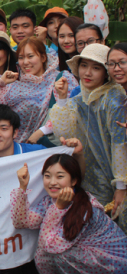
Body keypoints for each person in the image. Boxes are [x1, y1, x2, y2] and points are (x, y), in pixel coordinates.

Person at [51, 43, 127, 232]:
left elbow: (120, 145)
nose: (88, 73)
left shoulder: (115, 98)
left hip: (118, 178)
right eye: (84, 66)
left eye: (96, 68)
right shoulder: (78, 100)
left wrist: (120, 185)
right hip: (91, 178)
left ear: (106, 72)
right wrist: (61, 99)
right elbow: (63, 133)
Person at [12, 154, 127, 274]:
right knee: (44, 255)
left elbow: (48, 245)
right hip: (89, 256)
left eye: (60, 176)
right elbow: (22, 222)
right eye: (47, 176)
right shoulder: (48, 201)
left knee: (47, 255)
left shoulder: (86, 208)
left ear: (73, 180)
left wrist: (58, 209)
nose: (52, 182)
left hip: (112, 263)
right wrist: (23, 187)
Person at [0, 37, 78, 143]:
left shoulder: (61, 79)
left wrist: (41, 131)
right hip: (21, 152)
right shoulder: (14, 86)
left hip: (52, 149)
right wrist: (1, 82)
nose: (25, 62)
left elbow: (71, 113)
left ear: (43, 57)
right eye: (21, 58)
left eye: (30, 56)